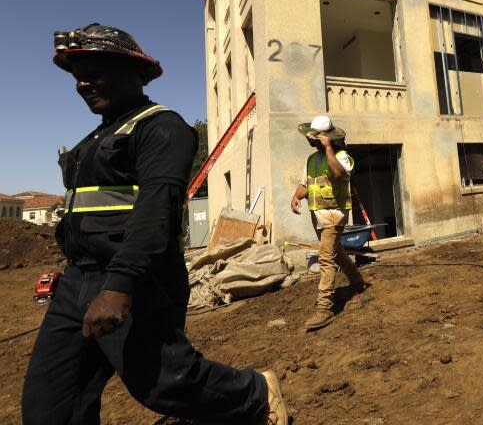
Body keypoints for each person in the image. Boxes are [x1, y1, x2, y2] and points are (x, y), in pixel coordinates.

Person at [22, 23, 287, 424]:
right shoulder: (94, 140)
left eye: (95, 71)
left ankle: (255, 395)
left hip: (135, 276)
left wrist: (119, 286)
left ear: (136, 72)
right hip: (77, 280)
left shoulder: (161, 127)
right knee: (51, 403)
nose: (83, 83)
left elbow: (156, 211)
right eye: (78, 76)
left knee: (165, 382)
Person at [290, 115, 368, 331]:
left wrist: (329, 149)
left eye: (316, 138)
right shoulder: (312, 160)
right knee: (336, 253)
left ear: (326, 138)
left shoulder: (342, 157)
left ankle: (324, 308)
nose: (311, 140)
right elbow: (306, 185)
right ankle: (357, 281)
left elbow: (339, 175)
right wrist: (296, 196)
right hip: (318, 215)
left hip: (335, 214)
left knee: (326, 258)